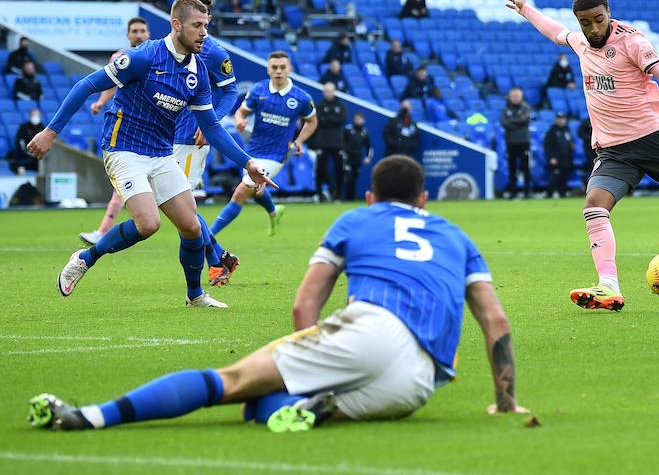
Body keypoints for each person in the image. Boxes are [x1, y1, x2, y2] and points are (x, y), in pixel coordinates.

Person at [28, 155, 525, 433]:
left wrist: (306, 354)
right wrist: (506, 404)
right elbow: (496, 322)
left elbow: (304, 304)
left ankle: (89, 417)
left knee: (233, 382)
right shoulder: (456, 236)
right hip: (418, 382)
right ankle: (309, 405)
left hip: (372, 332)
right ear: (424, 200)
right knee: (266, 408)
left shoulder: (356, 218)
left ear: (371, 197)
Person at [28, 0, 274, 308]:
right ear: (176, 25)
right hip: (123, 149)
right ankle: (85, 258)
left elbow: (211, 128)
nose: (204, 33)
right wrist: (50, 131)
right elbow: (86, 85)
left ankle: (195, 295)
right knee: (149, 224)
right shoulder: (144, 56)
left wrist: (248, 163)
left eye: (207, 26)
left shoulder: (198, 72)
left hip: (160, 153)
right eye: (197, 26)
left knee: (192, 226)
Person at [505, 0, 659, 311]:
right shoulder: (580, 43)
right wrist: (524, 8)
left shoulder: (633, 42)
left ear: (609, 14)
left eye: (598, 20)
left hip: (653, 138)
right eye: (585, 23)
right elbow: (553, 31)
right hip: (614, 149)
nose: (593, 29)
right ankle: (609, 287)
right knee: (594, 205)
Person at [168, 0, 242, 286]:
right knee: (180, 209)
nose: (200, 26)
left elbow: (231, 93)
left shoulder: (214, 53)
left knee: (181, 208)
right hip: (166, 134)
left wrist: (209, 122)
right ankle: (221, 257)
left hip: (191, 139)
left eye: (204, 19)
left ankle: (217, 262)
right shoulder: (172, 47)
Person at [210, 51, 317, 238]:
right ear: (268, 69)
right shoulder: (258, 90)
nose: (278, 71)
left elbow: (312, 121)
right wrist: (240, 120)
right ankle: (274, 212)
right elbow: (240, 112)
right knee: (256, 189)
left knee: (241, 192)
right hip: (252, 152)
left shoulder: (301, 98)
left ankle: (207, 238)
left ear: (289, 69)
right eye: (274, 67)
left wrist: (299, 141)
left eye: (282, 67)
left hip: (276, 155)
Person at [79, 17, 151, 246]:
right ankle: (104, 231)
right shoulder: (120, 59)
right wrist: (100, 102)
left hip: (155, 130)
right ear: (128, 35)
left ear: (148, 33)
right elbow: (110, 83)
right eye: (134, 31)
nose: (139, 35)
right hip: (130, 129)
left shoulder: (157, 56)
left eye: (142, 30)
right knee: (122, 185)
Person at [309, 82, 347, 202]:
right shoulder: (320, 106)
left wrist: (327, 118)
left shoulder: (340, 106)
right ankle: (320, 194)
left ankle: (338, 195)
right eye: (326, 91)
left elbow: (341, 120)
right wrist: (331, 119)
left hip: (337, 143)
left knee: (339, 169)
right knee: (320, 169)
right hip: (322, 142)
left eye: (330, 91)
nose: (328, 93)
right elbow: (318, 120)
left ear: (334, 91)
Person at [500, 87, 532, 200]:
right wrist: (518, 122)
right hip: (511, 142)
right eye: (513, 96)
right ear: (509, 97)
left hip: (524, 142)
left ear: (521, 97)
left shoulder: (526, 107)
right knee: (512, 168)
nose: (515, 98)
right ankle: (513, 193)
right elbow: (504, 123)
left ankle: (527, 193)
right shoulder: (505, 109)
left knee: (525, 168)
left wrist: (512, 122)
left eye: (517, 96)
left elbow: (525, 120)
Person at [341, 110, 372, 200]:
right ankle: (345, 197)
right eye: (356, 119)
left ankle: (351, 198)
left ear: (363, 120)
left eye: (360, 119)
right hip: (347, 157)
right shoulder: (348, 129)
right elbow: (342, 142)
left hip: (357, 158)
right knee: (348, 177)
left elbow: (369, 146)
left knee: (354, 178)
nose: (358, 121)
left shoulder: (364, 132)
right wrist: (343, 154)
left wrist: (368, 157)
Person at [544, 112, 575, 199]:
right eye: (559, 119)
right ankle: (549, 194)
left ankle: (563, 194)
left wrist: (572, 146)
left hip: (566, 158)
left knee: (564, 177)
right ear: (556, 120)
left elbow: (570, 141)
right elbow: (547, 146)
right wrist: (551, 157)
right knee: (555, 177)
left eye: (563, 119)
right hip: (556, 158)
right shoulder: (552, 131)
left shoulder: (567, 130)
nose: (561, 121)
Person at [576, 116, 596, 185]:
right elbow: (580, 134)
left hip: (599, 149)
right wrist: (591, 137)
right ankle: (590, 185)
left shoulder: (599, 120)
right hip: (589, 149)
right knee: (592, 167)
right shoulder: (586, 121)